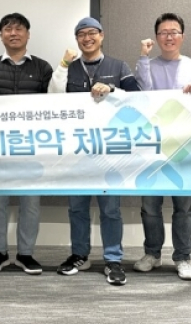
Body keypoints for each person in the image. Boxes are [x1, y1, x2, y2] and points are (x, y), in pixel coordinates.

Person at [49, 17, 140, 286]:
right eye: (81, 34)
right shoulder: (70, 68)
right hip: (77, 150)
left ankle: (113, 259)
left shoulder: (118, 66)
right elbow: (53, 98)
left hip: (110, 150)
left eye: (92, 33)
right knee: (76, 207)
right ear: (77, 39)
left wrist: (112, 89)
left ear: (101, 35)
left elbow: (138, 98)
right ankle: (80, 254)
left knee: (110, 209)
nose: (87, 38)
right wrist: (63, 64)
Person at [132, 13, 191, 281]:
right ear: (156, 37)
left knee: (184, 208)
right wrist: (143, 58)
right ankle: (152, 254)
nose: (169, 37)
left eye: (174, 32)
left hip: (186, 149)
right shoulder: (147, 65)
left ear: (182, 36)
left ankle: (183, 257)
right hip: (152, 147)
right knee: (150, 206)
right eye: (163, 32)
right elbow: (142, 95)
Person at [0, 13, 53, 275]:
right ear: (1, 36)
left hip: (31, 146)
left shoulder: (42, 67)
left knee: (30, 203)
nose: (13, 33)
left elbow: (54, 104)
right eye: (8, 29)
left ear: (28, 35)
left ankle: (26, 254)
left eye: (19, 29)